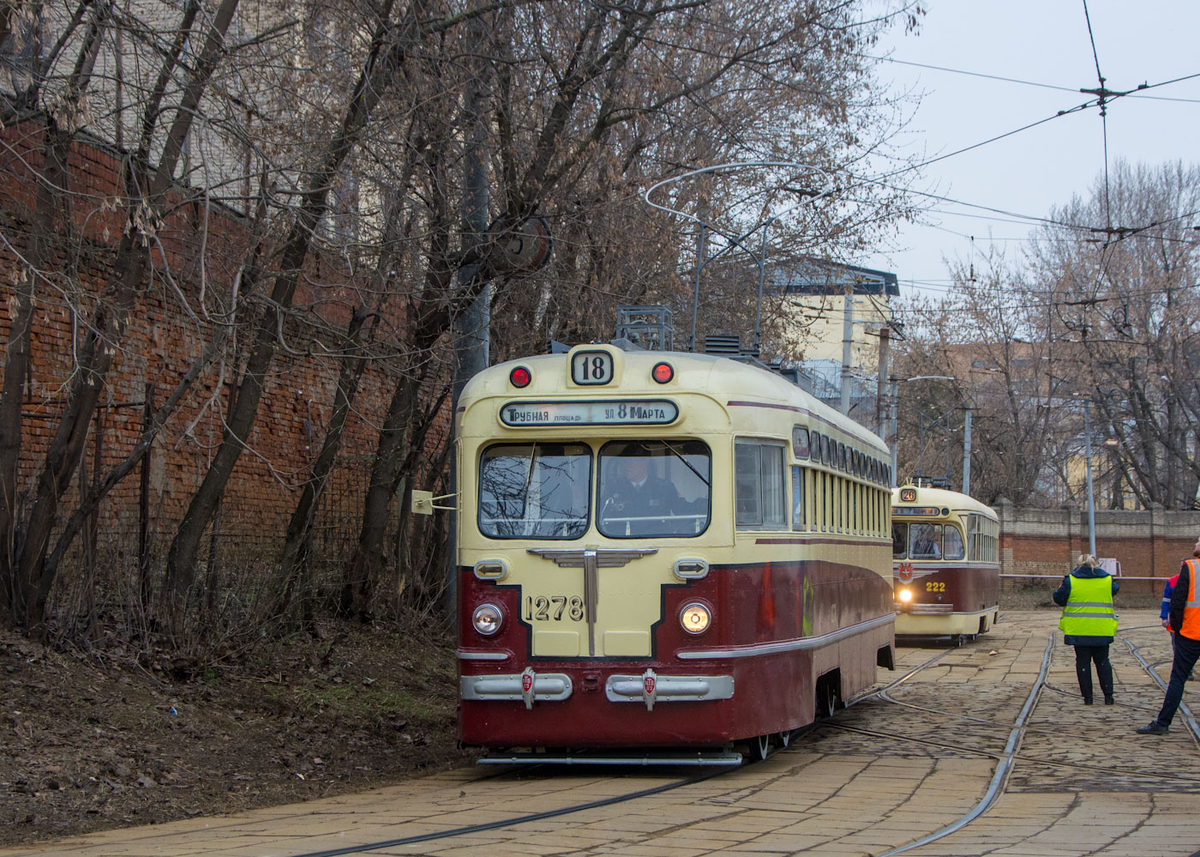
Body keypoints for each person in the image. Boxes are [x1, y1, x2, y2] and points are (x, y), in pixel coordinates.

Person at [1137, 536, 1200, 734]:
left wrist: (1177, 629)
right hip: (1190, 631)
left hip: (1191, 633)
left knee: (1178, 678)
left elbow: (1178, 600)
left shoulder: (1190, 567)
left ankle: (1163, 723)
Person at [1053, 553, 1118, 705]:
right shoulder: (1107, 579)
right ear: (1095, 564)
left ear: (1078, 564)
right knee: (1103, 661)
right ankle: (1108, 696)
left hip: (1079, 629)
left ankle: (1088, 698)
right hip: (1102, 628)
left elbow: (1058, 598)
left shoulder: (1071, 580)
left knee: (1083, 662)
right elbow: (1115, 590)